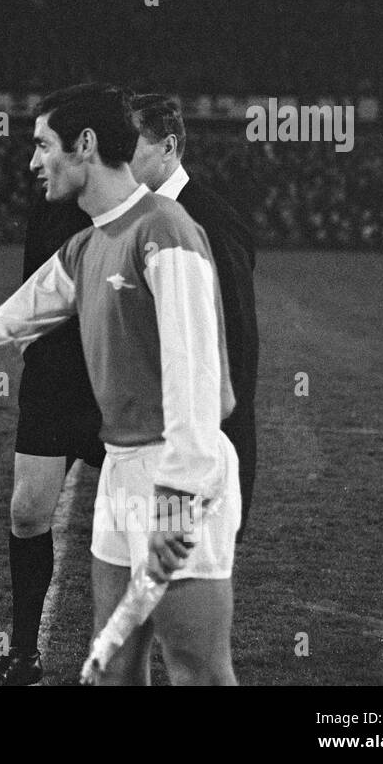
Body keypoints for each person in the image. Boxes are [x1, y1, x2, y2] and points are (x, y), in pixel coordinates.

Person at [0, 82, 241, 685]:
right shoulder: (86, 246)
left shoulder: (166, 230)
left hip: (181, 473)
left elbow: (197, 380)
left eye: (43, 145)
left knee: (197, 668)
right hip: (122, 470)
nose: (33, 162)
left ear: (85, 145)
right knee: (117, 665)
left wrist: (179, 498)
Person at [0, 186, 102, 686]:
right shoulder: (46, 204)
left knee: (132, 526)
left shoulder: (137, 207)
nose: (32, 161)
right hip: (51, 382)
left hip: (114, 387)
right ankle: (24, 655)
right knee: (27, 515)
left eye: (44, 144)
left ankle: (142, 661)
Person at [128, 95, 259, 540]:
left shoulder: (207, 220)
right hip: (160, 429)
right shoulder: (145, 216)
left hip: (201, 439)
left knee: (186, 576)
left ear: (168, 147)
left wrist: (216, 440)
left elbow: (238, 341)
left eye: (130, 144)